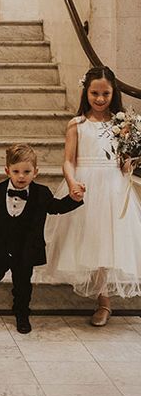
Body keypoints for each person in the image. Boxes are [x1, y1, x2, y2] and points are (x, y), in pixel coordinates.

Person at [41, 66, 141, 326]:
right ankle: (100, 295)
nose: (99, 99)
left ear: (113, 93)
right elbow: (68, 161)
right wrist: (72, 182)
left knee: (108, 241)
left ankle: (104, 302)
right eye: (94, 93)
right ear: (86, 92)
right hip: (85, 185)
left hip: (112, 187)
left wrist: (129, 163)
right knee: (90, 240)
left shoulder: (122, 125)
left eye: (105, 94)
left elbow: (123, 163)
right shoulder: (77, 124)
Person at [0, 144, 84, 334]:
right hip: (0, 244)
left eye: (26, 172)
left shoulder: (41, 193)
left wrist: (74, 200)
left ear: (35, 172)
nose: (21, 176)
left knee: (23, 284)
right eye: (16, 171)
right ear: (7, 171)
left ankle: (21, 313)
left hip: (25, 248)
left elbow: (56, 207)